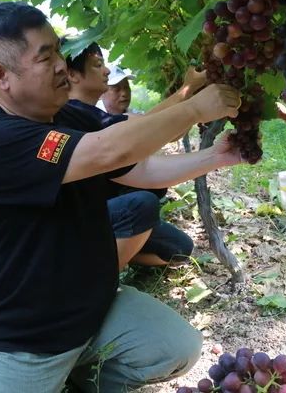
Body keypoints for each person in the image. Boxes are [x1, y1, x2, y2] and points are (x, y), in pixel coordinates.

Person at [0, 1, 242, 393]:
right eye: (45, 57)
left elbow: (140, 167)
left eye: (58, 52)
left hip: (92, 310)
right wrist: (193, 107)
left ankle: (80, 380)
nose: (61, 65)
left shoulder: (69, 116)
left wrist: (217, 156)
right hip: (25, 336)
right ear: (1, 75)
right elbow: (109, 150)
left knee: (178, 348)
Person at [63, 40, 201, 267]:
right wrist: (190, 94)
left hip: (103, 209)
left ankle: (118, 252)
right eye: (98, 65)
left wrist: (188, 97)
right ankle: (94, 274)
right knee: (142, 203)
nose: (106, 71)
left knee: (179, 248)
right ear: (72, 75)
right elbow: (145, 127)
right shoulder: (71, 114)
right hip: (78, 221)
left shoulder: (89, 113)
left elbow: (147, 129)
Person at [100, 62, 207, 116]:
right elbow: (144, 123)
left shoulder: (133, 113)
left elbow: (156, 126)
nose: (124, 93)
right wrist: (188, 87)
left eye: (126, 87)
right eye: (116, 89)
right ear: (100, 93)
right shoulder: (96, 120)